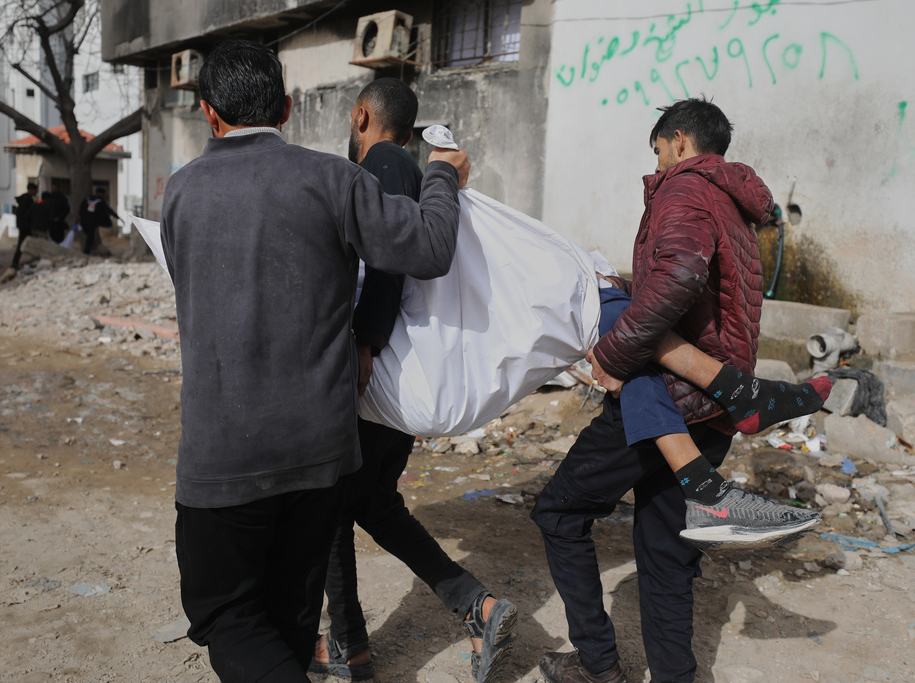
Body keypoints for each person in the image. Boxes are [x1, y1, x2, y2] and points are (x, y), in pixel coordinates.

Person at [159, 40, 470, 683]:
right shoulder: (335, 180)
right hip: (320, 451)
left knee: (230, 618)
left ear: (208, 114)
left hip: (224, 456)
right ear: (289, 109)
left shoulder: (181, 193)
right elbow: (431, 246)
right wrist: (441, 173)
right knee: (293, 612)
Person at [533, 97, 821, 683]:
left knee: (560, 512)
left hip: (664, 400)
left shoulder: (684, 189)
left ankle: (598, 664)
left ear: (681, 141)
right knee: (666, 556)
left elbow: (678, 279)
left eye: (659, 149)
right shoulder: (734, 206)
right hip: (711, 404)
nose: (658, 163)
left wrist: (613, 354)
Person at [310, 79, 515, 683]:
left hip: (380, 373)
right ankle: (477, 605)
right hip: (405, 375)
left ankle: (350, 647)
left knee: (329, 508)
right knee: (371, 501)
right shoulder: (416, 172)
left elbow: (386, 261)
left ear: (361, 116)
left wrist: (366, 338)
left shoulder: (384, 161)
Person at [78, 187, 119, 255]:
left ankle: (87, 251)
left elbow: (80, 211)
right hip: (92, 223)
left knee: (88, 236)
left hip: (83, 222)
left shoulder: (87, 199)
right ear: (101, 194)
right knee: (91, 238)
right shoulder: (100, 201)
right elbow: (108, 210)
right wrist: (116, 216)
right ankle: (87, 252)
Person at [11, 182, 38, 270]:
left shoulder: (24, 199)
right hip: (25, 226)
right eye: (35, 190)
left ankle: (16, 262)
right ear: (31, 190)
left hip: (23, 225)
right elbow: (27, 214)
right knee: (23, 244)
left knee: (23, 244)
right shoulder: (27, 200)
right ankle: (15, 262)